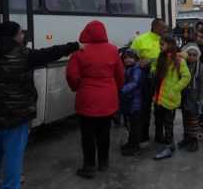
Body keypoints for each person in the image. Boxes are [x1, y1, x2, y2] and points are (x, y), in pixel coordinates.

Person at [0, 21, 78, 188]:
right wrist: (74, 46)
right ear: (14, 36)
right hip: (16, 117)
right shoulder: (23, 54)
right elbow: (51, 53)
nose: (23, 36)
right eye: (21, 33)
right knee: (13, 160)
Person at [66, 21, 124, 179]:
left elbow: (72, 75)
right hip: (108, 100)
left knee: (87, 135)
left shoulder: (79, 52)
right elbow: (120, 75)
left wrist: (77, 86)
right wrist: (115, 89)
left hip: (87, 100)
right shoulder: (113, 50)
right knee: (104, 133)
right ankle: (104, 163)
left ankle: (89, 166)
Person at [152, 36, 191, 160]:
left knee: (168, 123)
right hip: (159, 96)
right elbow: (155, 69)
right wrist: (153, 69)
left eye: (162, 44)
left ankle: (170, 146)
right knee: (161, 121)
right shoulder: (161, 57)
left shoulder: (179, 60)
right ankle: (167, 143)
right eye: (160, 44)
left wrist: (174, 89)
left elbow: (186, 77)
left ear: (170, 45)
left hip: (170, 97)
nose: (160, 46)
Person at [130, 18, 167, 144]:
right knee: (144, 107)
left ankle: (159, 135)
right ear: (154, 27)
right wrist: (139, 63)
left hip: (161, 78)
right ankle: (143, 134)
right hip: (145, 78)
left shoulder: (166, 41)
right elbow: (130, 59)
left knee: (160, 107)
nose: (165, 29)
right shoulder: (140, 40)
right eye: (163, 27)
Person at [179, 43, 203, 152]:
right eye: (189, 54)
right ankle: (187, 137)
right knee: (185, 118)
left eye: (194, 55)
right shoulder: (183, 65)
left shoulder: (201, 67)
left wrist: (201, 99)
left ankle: (194, 140)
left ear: (198, 56)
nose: (191, 57)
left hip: (195, 98)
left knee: (193, 120)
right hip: (185, 96)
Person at [119, 49, 145, 157]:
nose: (128, 60)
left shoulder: (137, 69)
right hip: (129, 102)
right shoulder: (127, 68)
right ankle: (130, 143)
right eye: (125, 58)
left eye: (130, 57)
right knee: (130, 125)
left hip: (135, 103)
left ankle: (135, 147)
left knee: (135, 126)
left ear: (136, 58)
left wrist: (121, 90)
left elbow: (134, 83)